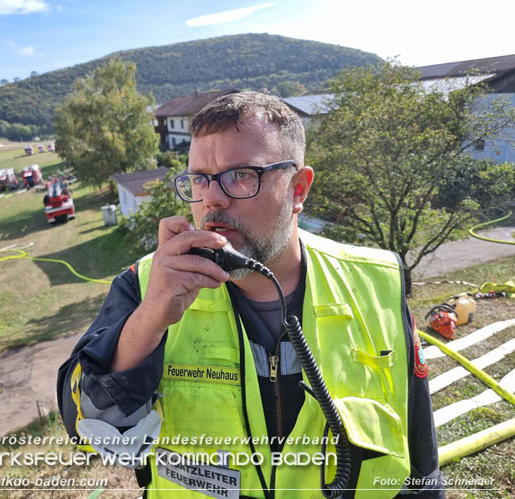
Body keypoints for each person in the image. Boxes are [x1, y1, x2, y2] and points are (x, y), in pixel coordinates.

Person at [57, 91, 443, 498]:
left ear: (298, 189)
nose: (212, 198)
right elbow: (88, 430)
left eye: (242, 174)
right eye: (200, 178)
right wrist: (150, 319)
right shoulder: (146, 284)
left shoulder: (375, 282)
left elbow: (421, 464)